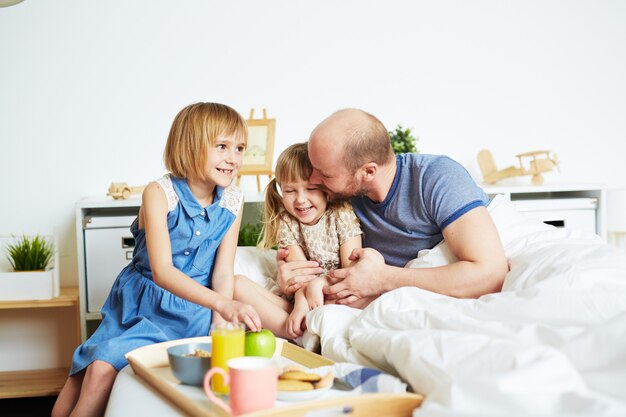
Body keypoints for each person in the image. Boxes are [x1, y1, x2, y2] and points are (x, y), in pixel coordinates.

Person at [52, 103, 262, 417]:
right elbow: (162, 272)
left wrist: (220, 323)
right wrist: (223, 304)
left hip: (195, 310)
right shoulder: (159, 192)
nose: (233, 158)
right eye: (222, 146)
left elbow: (222, 273)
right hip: (143, 303)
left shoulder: (233, 200)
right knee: (89, 370)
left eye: (239, 148)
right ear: (190, 145)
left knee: (101, 370)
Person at [276, 108, 509, 305]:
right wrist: (293, 279)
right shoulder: (338, 198)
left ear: (368, 172)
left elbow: (490, 274)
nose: (313, 180)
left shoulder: (437, 178)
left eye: (324, 174)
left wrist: (384, 278)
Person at [233, 143, 373, 339]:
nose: (300, 200)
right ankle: (296, 328)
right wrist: (300, 304)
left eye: (311, 188)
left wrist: (319, 287)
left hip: (338, 294)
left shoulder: (341, 213)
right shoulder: (286, 221)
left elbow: (352, 274)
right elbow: (300, 275)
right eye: (290, 191)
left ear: (326, 189)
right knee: (236, 284)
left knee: (369, 295)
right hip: (302, 299)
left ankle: (303, 326)